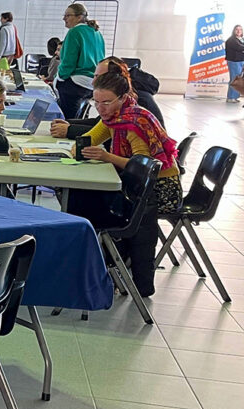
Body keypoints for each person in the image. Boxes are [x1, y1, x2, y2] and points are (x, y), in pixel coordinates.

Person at [68, 69, 181, 297]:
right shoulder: (113, 117)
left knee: (86, 200)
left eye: (106, 102)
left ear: (122, 98)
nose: (101, 108)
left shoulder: (134, 121)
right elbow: (89, 138)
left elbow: (143, 167)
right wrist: (78, 149)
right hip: (138, 182)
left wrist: (107, 157)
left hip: (160, 187)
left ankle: (100, 262)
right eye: (96, 102)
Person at [51, 57, 165, 137]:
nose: (93, 82)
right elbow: (99, 123)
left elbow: (112, 133)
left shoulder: (137, 101)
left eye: (99, 77)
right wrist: (67, 123)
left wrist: (69, 130)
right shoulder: (121, 94)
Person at [55, 2, 105, 118]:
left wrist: (59, 78)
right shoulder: (97, 32)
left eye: (68, 15)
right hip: (92, 83)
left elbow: (68, 63)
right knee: (79, 118)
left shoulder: (74, 32)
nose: (64, 18)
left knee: (65, 121)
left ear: (79, 17)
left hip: (76, 83)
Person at [226, 24, 244, 103]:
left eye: (240, 29)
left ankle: (235, 97)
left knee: (239, 80)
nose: (239, 31)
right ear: (234, 31)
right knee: (234, 79)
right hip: (234, 62)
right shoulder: (232, 40)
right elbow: (240, 47)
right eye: (237, 29)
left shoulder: (241, 39)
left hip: (240, 61)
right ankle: (230, 97)